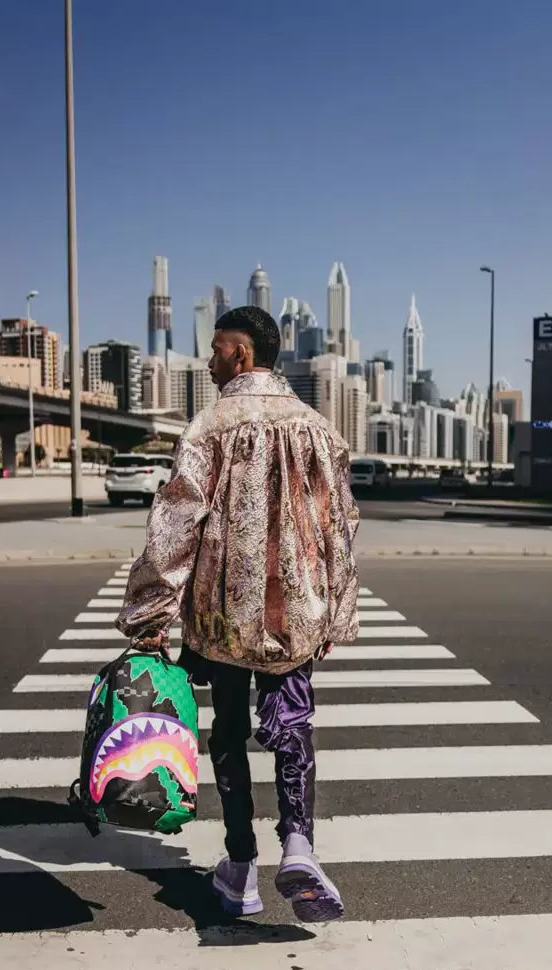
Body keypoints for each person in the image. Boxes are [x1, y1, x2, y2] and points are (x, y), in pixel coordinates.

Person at [117, 305, 359, 922]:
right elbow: (340, 524)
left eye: (218, 349)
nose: (209, 360)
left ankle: (241, 865)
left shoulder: (208, 427)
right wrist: (335, 610)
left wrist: (151, 614)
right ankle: (299, 844)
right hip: (296, 611)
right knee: (293, 724)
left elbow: (175, 525)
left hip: (221, 611)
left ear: (242, 354)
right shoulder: (320, 429)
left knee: (228, 732)